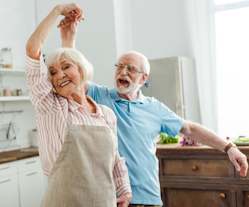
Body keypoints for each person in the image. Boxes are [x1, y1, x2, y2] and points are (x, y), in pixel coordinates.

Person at [59, 13, 248, 207]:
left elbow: (189, 129)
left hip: (149, 198)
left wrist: (229, 147)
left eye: (130, 69)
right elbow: (73, 78)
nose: (123, 72)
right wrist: (68, 39)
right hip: (110, 197)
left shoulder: (154, 107)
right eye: (120, 67)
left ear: (143, 78)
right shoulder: (100, 96)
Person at [25, 3, 132, 207]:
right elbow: (33, 49)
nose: (60, 75)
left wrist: (125, 190)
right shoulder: (51, 107)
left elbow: (115, 159)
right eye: (53, 73)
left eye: (66, 67)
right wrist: (57, 10)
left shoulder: (106, 115)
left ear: (82, 71)